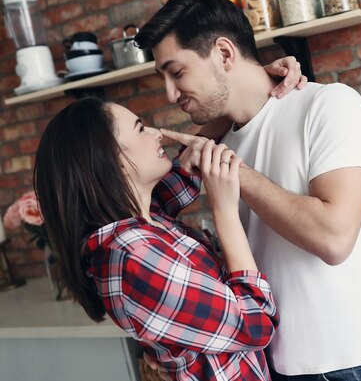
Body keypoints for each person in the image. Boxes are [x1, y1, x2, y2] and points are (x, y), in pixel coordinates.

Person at [134, 0, 361, 381]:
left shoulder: (330, 105)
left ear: (225, 54)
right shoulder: (218, 140)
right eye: (163, 76)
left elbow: (333, 239)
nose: (170, 93)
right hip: (269, 366)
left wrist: (237, 171)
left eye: (177, 72)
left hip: (355, 365)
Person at [33, 97, 280, 381]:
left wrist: (261, 87)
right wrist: (224, 211)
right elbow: (256, 323)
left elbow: (189, 168)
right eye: (140, 129)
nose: (157, 133)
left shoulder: (146, 220)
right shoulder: (133, 257)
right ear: (111, 160)